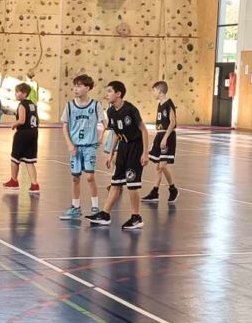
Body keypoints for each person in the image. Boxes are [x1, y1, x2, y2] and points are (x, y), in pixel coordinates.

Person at [88, 81, 148, 231]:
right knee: (115, 183)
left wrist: (145, 152)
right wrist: (111, 153)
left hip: (135, 147)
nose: (107, 94)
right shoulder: (111, 111)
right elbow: (116, 132)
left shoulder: (130, 109)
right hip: (122, 147)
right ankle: (105, 214)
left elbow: (144, 130)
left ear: (118, 94)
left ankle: (136, 217)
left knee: (132, 184)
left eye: (109, 91)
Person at [59, 74, 103, 220]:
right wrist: (69, 144)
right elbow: (64, 127)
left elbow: (105, 124)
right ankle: (75, 207)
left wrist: (101, 137)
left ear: (88, 88)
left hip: (89, 146)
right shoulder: (70, 105)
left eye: (79, 86)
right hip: (75, 146)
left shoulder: (95, 105)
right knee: (75, 178)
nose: (75, 89)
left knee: (90, 177)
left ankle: (95, 206)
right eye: (74, 86)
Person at [1, 83, 40, 194]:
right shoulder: (33, 104)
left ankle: (14, 181)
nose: (16, 94)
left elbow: (22, 120)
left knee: (15, 158)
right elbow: (37, 119)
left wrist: (14, 124)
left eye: (18, 92)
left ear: (24, 93)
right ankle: (34, 184)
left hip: (23, 133)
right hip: (33, 132)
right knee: (29, 160)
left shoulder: (22, 105)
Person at [143, 81, 178, 204]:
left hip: (167, 135)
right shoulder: (160, 104)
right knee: (158, 167)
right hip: (160, 134)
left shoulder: (169, 104)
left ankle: (173, 189)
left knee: (162, 165)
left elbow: (172, 123)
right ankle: (155, 192)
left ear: (160, 91)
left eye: (154, 90)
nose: (153, 93)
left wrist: (165, 138)